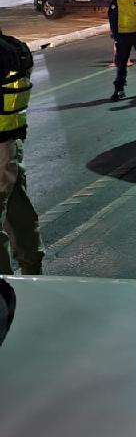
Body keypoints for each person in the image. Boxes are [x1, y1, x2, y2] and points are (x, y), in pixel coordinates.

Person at [0, 29, 43, 276]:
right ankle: (32, 270)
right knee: (17, 209)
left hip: (3, 146)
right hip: (10, 143)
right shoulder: (14, 49)